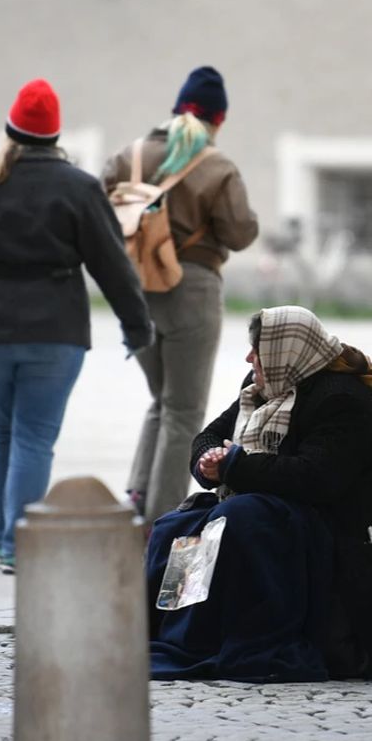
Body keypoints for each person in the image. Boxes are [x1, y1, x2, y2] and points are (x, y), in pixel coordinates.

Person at [146, 306, 372, 682]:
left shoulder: (341, 400)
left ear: (285, 352)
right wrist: (209, 460)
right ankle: (179, 637)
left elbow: (315, 478)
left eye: (258, 350)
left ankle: (239, 637)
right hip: (283, 513)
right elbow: (210, 435)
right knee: (175, 527)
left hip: (344, 537)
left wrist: (235, 465)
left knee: (242, 519)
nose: (250, 358)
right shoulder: (263, 387)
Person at [0, 79, 154, 574]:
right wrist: (137, 326)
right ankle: (17, 544)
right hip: (55, 333)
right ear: (56, 136)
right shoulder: (78, 187)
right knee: (33, 436)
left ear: (10, 130)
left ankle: (0, 539)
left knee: (4, 431)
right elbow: (110, 264)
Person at [102, 66, 258, 525]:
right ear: (219, 119)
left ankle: (138, 493)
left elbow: (95, 209)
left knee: (162, 400)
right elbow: (241, 232)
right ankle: (159, 520)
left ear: (175, 110)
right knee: (184, 410)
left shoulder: (129, 157)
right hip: (192, 291)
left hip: (134, 292)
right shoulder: (217, 166)